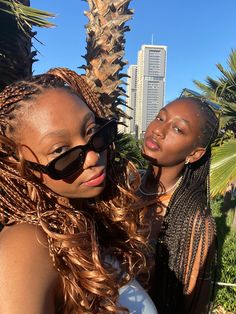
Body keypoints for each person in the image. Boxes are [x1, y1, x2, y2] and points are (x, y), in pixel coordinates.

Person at [0, 68, 157, 314]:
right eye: (61, 151)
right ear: (17, 165)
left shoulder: (89, 223)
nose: (93, 156)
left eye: (92, 132)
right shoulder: (25, 245)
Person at [138, 96, 219, 314]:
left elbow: (194, 305)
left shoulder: (194, 221)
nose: (158, 130)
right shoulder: (121, 185)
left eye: (178, 130)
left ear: (194, 154)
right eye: (160, 117)